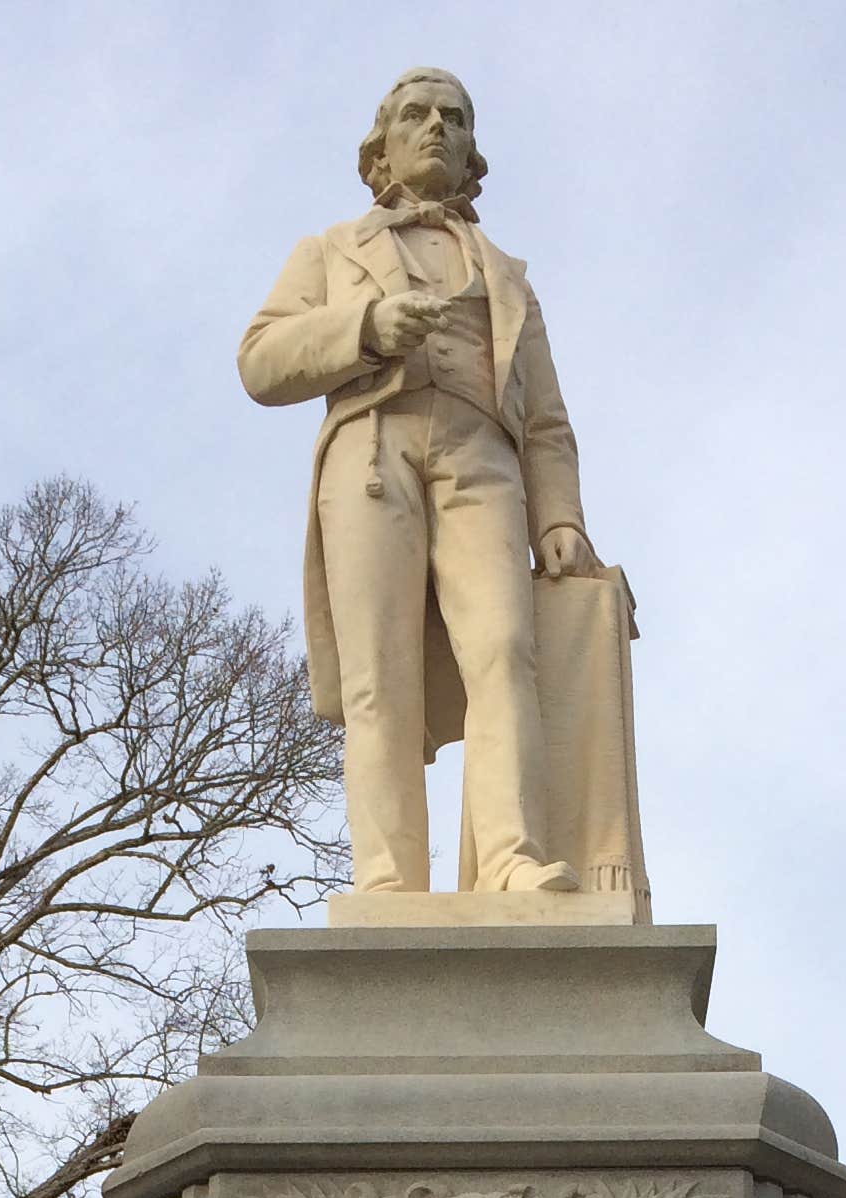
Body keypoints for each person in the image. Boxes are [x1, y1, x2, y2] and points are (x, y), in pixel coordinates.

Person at [239, 66, 604, 895]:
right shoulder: (330, 250)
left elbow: (546, 418)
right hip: (371, 450)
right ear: (384, 146)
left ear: (474, 147)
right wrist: (366, 326)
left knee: (505, 652)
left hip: (484, 460)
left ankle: (511, 856)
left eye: (455, 116)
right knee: (379, 674)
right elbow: (261, 361)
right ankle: (389, 881)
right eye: (417, 113)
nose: (436, 126)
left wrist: (560, 517)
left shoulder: (509, 276)